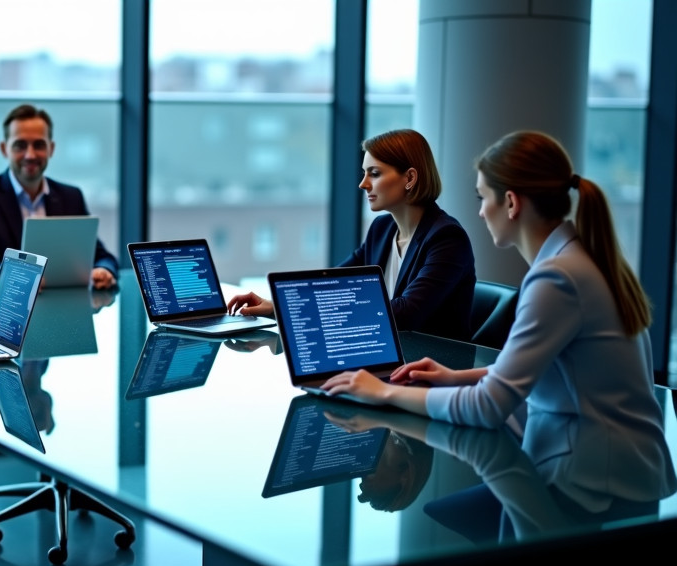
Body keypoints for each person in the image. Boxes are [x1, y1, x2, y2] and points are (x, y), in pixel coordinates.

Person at [320, 130, 677, 514]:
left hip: (595, 482)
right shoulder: (576, 258)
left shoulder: (556, 279)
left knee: (442, 519)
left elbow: (488, 407)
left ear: (510, 202)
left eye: (482, 198)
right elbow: (549, 369)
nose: (478, 211)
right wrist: (454, 376)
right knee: (445, 514)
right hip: (611, 466)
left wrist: (383, 393)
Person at [227, 128, 476, 340]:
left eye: (374, 173)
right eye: (364, 173)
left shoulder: (447, 238)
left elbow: (407, 313)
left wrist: (309, 310)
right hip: (385, 354)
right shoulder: (382, 229)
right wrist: (277, 307)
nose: (363, 183)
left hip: (435, 371)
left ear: (410, 177)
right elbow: (333, 283)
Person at [0, 103, 119, 289]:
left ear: (51, 149)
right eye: (20, 145)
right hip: (9, 310)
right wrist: (9, 274)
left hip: (63, 307)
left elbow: (101, 256)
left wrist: (104, 270)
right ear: (4, 149)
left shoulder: (71, 196)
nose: (30, 155)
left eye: (39, 145)